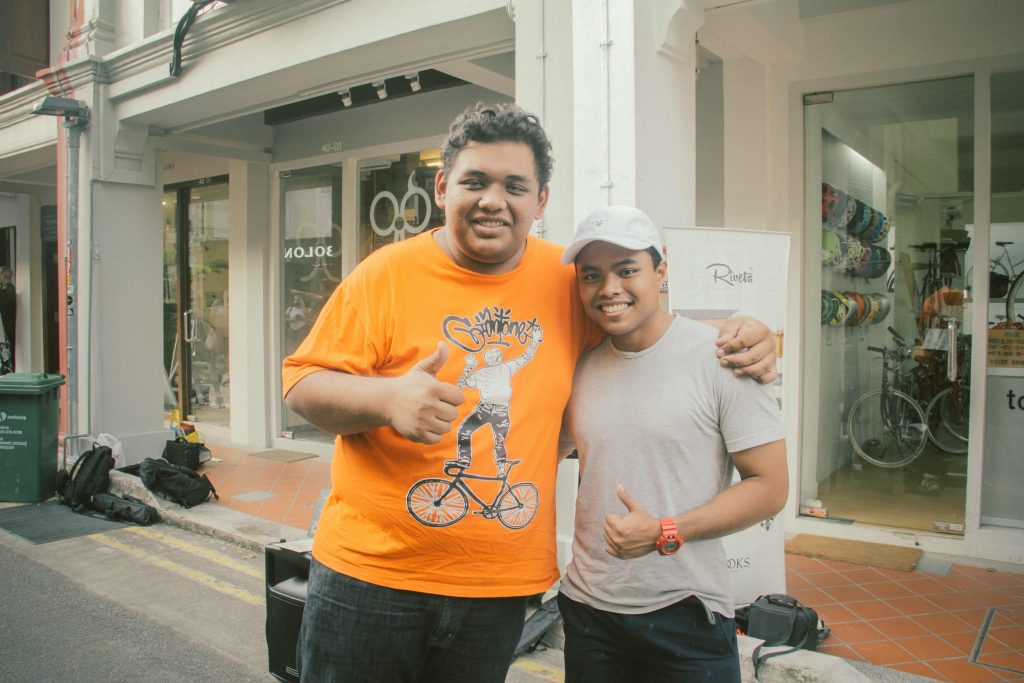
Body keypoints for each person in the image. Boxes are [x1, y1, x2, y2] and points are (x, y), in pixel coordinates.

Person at [282, 102, 778, 682]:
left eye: (515, 185)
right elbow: (302, 384)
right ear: (443, 187)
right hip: (370, 579)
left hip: (498, 591)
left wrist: (745, 330)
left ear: (540, 202)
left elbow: (639, 320)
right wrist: (387, 401)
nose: (494, 199)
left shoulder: (568, 281)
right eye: (475, 181)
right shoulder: (385, 273)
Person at [556, 205, 789, 683]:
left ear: (661, 271)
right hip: (588, 611)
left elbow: (770, 486)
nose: (609, 289)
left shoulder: (723, 357)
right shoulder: (577, 367)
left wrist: (668, 529)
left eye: (627, 271)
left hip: (686, 614)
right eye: (592, 276)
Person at [0, 266, 14, 373]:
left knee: (5, 355)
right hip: (9, 327)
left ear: (4, 276)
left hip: (5, 328)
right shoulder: (11, 289)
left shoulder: (5, 291)